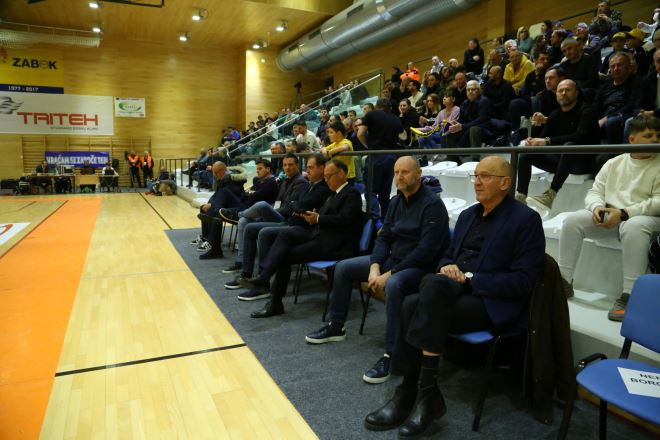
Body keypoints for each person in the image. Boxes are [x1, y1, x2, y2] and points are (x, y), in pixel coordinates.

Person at [364, 156, 545, 438]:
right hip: (454, 291)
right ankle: (416, 392)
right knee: (415, 300)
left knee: (421, 297)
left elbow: (523, 281)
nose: (477, 182)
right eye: (475, 175)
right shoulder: (469, 215)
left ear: (505, 183)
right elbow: (447, 256)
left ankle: (416, 393)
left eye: (485, 176)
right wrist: (447, 266)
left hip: (491, 301)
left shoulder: (526, 220)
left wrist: (470, 278)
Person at [305, 156, 450, 385]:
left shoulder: (433, 206)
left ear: (418, 174)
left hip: (420, 267)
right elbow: (384, 238)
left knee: (394, 284)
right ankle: (336, 325)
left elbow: (426, 251)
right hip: (393, 261)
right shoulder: (396, 201)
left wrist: (388, 274)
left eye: (405, 172)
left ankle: (391, 354)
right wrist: (374, 266)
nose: (400, 177)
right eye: (396, 172)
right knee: (343, 268)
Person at [558, 115, 660, 322]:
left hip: (647, 219)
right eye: (649, 135)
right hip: (612, 217)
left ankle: (631, 295)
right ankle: (562, 282)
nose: (655, 140)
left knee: (634, 226)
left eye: (658, 135)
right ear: (632, 139)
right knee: (573, 220)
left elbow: (658, 201)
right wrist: (597, 208)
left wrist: (623, 213)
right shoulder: (614, 162)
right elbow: (595, 192)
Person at [240, 160, 363, 318]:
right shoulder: (334, 194)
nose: (326, 180)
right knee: (285, 235)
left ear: (341, 174)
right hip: (320, 236)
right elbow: (323, 215)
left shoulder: (351, 194)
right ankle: (265, 281)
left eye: (329, 176)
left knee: (284, 255)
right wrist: (312, 216)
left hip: (335, 244)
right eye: (325, 177)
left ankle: (271, 295)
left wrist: (317, 218)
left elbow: (345, 219)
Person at [221, 154, 308, 281]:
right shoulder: (285, 181)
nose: (287, 167)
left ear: (297, 165)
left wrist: (273, 210)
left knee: (261, 205)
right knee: (244, 221)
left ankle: (237, 214)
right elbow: (277, 200)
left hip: (286, 219)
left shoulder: (300, 181)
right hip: (278, 212)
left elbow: (290, 208)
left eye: (290, 165)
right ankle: (243, 266)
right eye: (285, 165)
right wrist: (272, 209)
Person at [516, 79, 600, 211]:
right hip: (561, 161)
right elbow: (543, 139)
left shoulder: (587, 111)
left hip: (583, 161)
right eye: (560, 90)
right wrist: (533, 135)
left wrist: (547, 141)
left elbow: (580, 137)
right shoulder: (555, 114)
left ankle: (550, 195)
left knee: (569, 146)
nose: (564, 93)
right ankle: (520, 197)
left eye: (568, 90)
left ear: (576, 93)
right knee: (526, 155)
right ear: (556, 95)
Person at [358, 98, 403, 220]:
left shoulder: (371, 114)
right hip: (391, 157)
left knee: (371, 191)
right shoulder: (396, 118)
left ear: (377, 106)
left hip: (376, 155)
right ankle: (385, 221)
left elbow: (360, 134)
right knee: (385, 194)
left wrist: (369, 146)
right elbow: (403, 136)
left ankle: (375, 221)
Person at [194, 162, 247, 259]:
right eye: (214, 172)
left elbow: (228, 195)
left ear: (222, 170)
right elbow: (217, 195)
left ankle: (214, 247)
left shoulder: (234, 180)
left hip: (237, 206)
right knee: (204, 208)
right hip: (227, 204)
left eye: (216, 172)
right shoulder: (223, 179)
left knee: (217, 209)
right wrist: (209, 204)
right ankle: (206, 238)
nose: (214, 175)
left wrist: (212, 205)